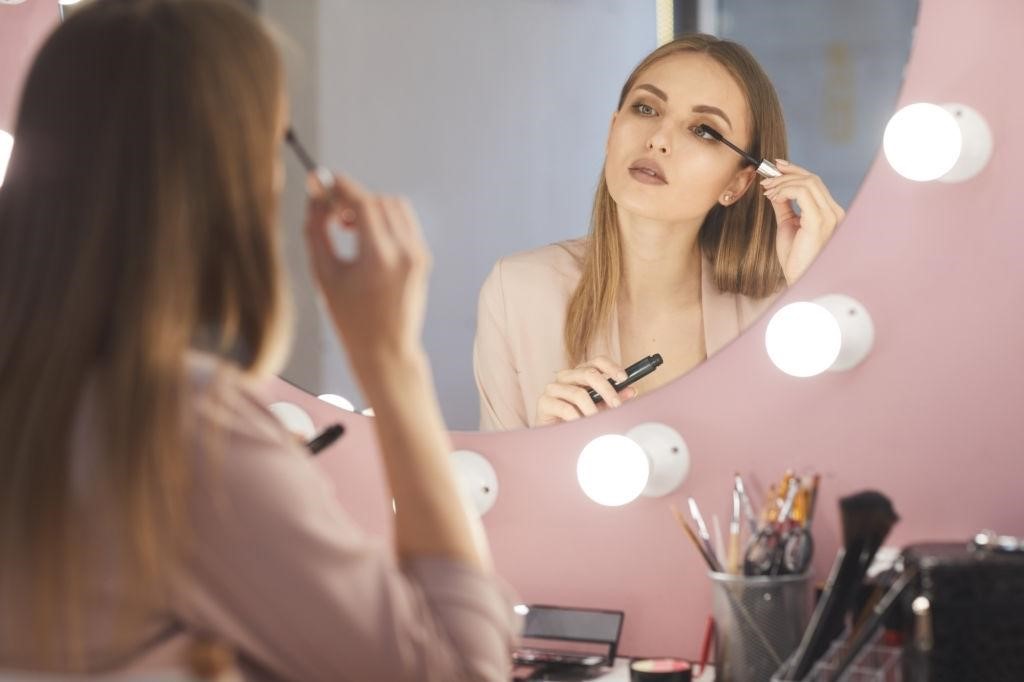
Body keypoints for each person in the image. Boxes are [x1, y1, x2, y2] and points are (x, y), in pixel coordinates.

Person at [0, 1, 516, 679]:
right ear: (229, 180)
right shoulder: (171, 431)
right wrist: (389, 359)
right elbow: (459, 670)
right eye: (270, 149)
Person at [474, 34, 846, 431]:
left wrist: (816, 286)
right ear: (612, 130)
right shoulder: (517, 294)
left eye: (703, 130)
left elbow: (837, 458)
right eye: (645, 108)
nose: (658, 139)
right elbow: (498, 491)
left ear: (738, 183)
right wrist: (545, 449)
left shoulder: (781, 311)